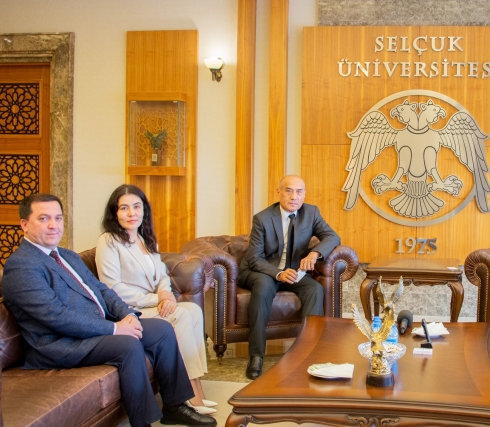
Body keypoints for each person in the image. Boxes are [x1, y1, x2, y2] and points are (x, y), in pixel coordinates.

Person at [1, 193, 216, 427]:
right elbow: (56, 316)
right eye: (44, 218)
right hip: (58, 344)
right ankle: (142, 422)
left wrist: (128, 315)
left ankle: (175, 406)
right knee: (127, 344)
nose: (54, 225)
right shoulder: (21, 266)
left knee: (162, 330)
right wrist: (114, 328)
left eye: (58, 218)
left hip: (91, 331)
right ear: (24, 224)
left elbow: (102, 290)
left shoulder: (66, 256)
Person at [95, 184, 217, 415]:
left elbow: (162, 276)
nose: (131, 213)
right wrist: (156, 300)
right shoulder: (108, 241)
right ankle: (190, 395)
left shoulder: (145, 239)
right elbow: (112, 288)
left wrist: (166, 294)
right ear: (115, 213)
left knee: (193, 310)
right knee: (181, 315)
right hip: (128, 309)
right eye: (124, 208)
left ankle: (197, 386)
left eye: (136, 207)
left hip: (152, 303)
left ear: (144, 210)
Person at [238, 175, 341, 379]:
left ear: (304, 194)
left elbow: (332, 236)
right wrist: (278, 273)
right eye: (289, 190)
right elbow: (255, 259)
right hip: (262, 270)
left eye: (299, 191)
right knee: (263, 288)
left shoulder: (311, 212)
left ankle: (308, 352)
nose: (294, 196)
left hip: (293, 271)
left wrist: (314, 254)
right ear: (279, 192)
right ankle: (256, 355)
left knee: (315, 289)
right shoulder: (262, 218)